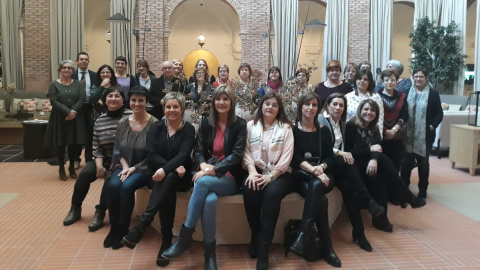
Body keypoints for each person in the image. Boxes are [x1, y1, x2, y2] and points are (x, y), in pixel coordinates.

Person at [162, 85, 247, 270]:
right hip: (206, 172)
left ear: (231, 102)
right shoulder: (206, 122)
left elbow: (236, 155)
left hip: (229, 177)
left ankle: (185, 238)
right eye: (218, 99)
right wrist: (202, 165)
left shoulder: (240, 124)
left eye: (225, 99)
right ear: (213, 102)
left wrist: (210, 170)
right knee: (208, 202)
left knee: (201, 182)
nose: (221, 102)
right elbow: (199, 149)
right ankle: (210, 256)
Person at [121, 92, 195, 267]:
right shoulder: (157, 127)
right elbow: (151, 154)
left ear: (182, 108)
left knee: (167, 178)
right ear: (164, 108)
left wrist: (165, 168)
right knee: (167, 182)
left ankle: (143, 226)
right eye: (168, 107)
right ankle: (166, 241)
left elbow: (184, 154)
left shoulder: (189, 129)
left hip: (183, 175)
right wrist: (167, 168)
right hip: (160, 174)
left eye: (176, 106)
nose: (171, 110)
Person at [344, 99, 426, 233]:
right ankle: (406, 196)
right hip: (353, 163)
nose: (368, 112)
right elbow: (348, 151)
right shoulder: (351, 126)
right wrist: (371, 152)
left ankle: (381, 219)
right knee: (383, 161)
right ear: (360, 110)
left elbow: (378, 147)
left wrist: (374, 159)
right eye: (366, 109)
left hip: (369, 162)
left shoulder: (375, 127)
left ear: (376, 114)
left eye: (372, 110)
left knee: (380, 176)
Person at [318, 93, 385, 252]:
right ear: (328, 105)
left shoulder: (342, 123)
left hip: (339, 167)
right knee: (344, 158)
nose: (338, 108)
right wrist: (341, 153)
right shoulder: (321, 120)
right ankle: (368, 199)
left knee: (349, 189)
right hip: (325, 163)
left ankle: (359, 233)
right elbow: (323, 147)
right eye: (335, 104)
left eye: (341, 105)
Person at [63, 86, 132, 231]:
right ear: (105, 100)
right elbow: (96, 146)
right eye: (110, 96)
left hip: (125, 161)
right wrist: (99, 165)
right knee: (85, 175)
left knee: (109, 178)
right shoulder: (100, 120)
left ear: (123, 99)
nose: (113, 99)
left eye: (117, 96)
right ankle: (75, 208)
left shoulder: (130, 117)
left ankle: (100, 211)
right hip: (105, 158)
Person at [242, 92, 294, 270]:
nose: (270, 107)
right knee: (250, 189)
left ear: (279, 109)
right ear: (261, 106)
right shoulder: (250, 125)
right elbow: (245, 150)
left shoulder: (286, 127)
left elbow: (287, 156)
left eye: (274, 105)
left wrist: (271, 176)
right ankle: (255, 234)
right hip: (255, 170)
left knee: (271, 196)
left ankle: (264, 249)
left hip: (280, 173)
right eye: (267, 104)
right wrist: (251, 171)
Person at [288, 92, 341, 267]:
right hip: (302, 176)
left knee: (318, 186)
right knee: (321, 200)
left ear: (318, 108)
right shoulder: (292, 129)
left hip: (323, 174)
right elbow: (293, 157)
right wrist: (314, 170)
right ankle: (327, 247)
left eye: (314, 105)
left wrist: (322, 168)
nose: (310, 108)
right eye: (307, 104)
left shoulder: (323, 130)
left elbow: (330, 157)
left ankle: (304, 235)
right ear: (300, 107)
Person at [104, 85, 157, 249]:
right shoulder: (122, 122)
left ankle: (123, 230)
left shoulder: (155, 124)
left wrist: (133, 169)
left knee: (126, 187)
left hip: (143, 168)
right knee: (113, 186)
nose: (137, 103)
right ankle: (114, 229)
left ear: (146, 102)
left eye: (141, 100)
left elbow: (153, 155)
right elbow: (118, 149)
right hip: (123, 165)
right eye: (134, 100)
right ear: (129, 101)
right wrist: (125, 166)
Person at [401, 68, 443, 199]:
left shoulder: (433, 94)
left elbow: (439, 113)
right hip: (407, 134)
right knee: (406, 163)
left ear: (426, 78)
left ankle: (423, 189)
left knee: (423, 163)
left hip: (425, 135)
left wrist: (432, 126)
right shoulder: (405, 93)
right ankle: (404, 188)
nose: (418, 79)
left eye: (421, 77)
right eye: (416, 76)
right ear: (412, 78)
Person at [44, 60, 86, 180]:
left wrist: (72, 112)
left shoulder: (78, 84)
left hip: (75, 117)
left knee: (73, 143)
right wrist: (67, 112)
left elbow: (82, 99)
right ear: (60, 70)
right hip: (59, 118)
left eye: (69, 68)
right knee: (61, 143)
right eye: (64, 68)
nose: (66, 70)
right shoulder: (54, 84)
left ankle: (72, 167)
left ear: (72, 71)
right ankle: (61, 167)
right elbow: (53, 100)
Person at [378, 69, 408, 171]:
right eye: (386, 80)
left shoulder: (402, 96)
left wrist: (394, 130)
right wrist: (385, 131)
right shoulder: (376, 96)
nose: (389, 83)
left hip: (397, 136)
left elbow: (405, 115)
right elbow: (374, 116)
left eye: (392, 80)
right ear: (382, 82)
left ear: (397, 82)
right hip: (380, 136)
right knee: (381, 165)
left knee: (395, 165)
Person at [71, 52, 97, 168]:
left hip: (89, 108)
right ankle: (75, 159)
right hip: (76, 108)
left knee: (90, 133)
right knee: (76, 134)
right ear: (77, 61)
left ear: (89, 62)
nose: (84, 61)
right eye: (81, 59)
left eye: (86, 59)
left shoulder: (94, 75)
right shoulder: (72, 76)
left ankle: (88, 159)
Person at [345, 69, 384, 136]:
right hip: (351, 134)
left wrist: (379, 136)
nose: (362, 81)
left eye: (365, 79)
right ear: (355, 80)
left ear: (369, 82)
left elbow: (380, 118)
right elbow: (344, 118)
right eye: (359, 78)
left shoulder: (376, 97)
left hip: (370, 135)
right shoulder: (347, 97)